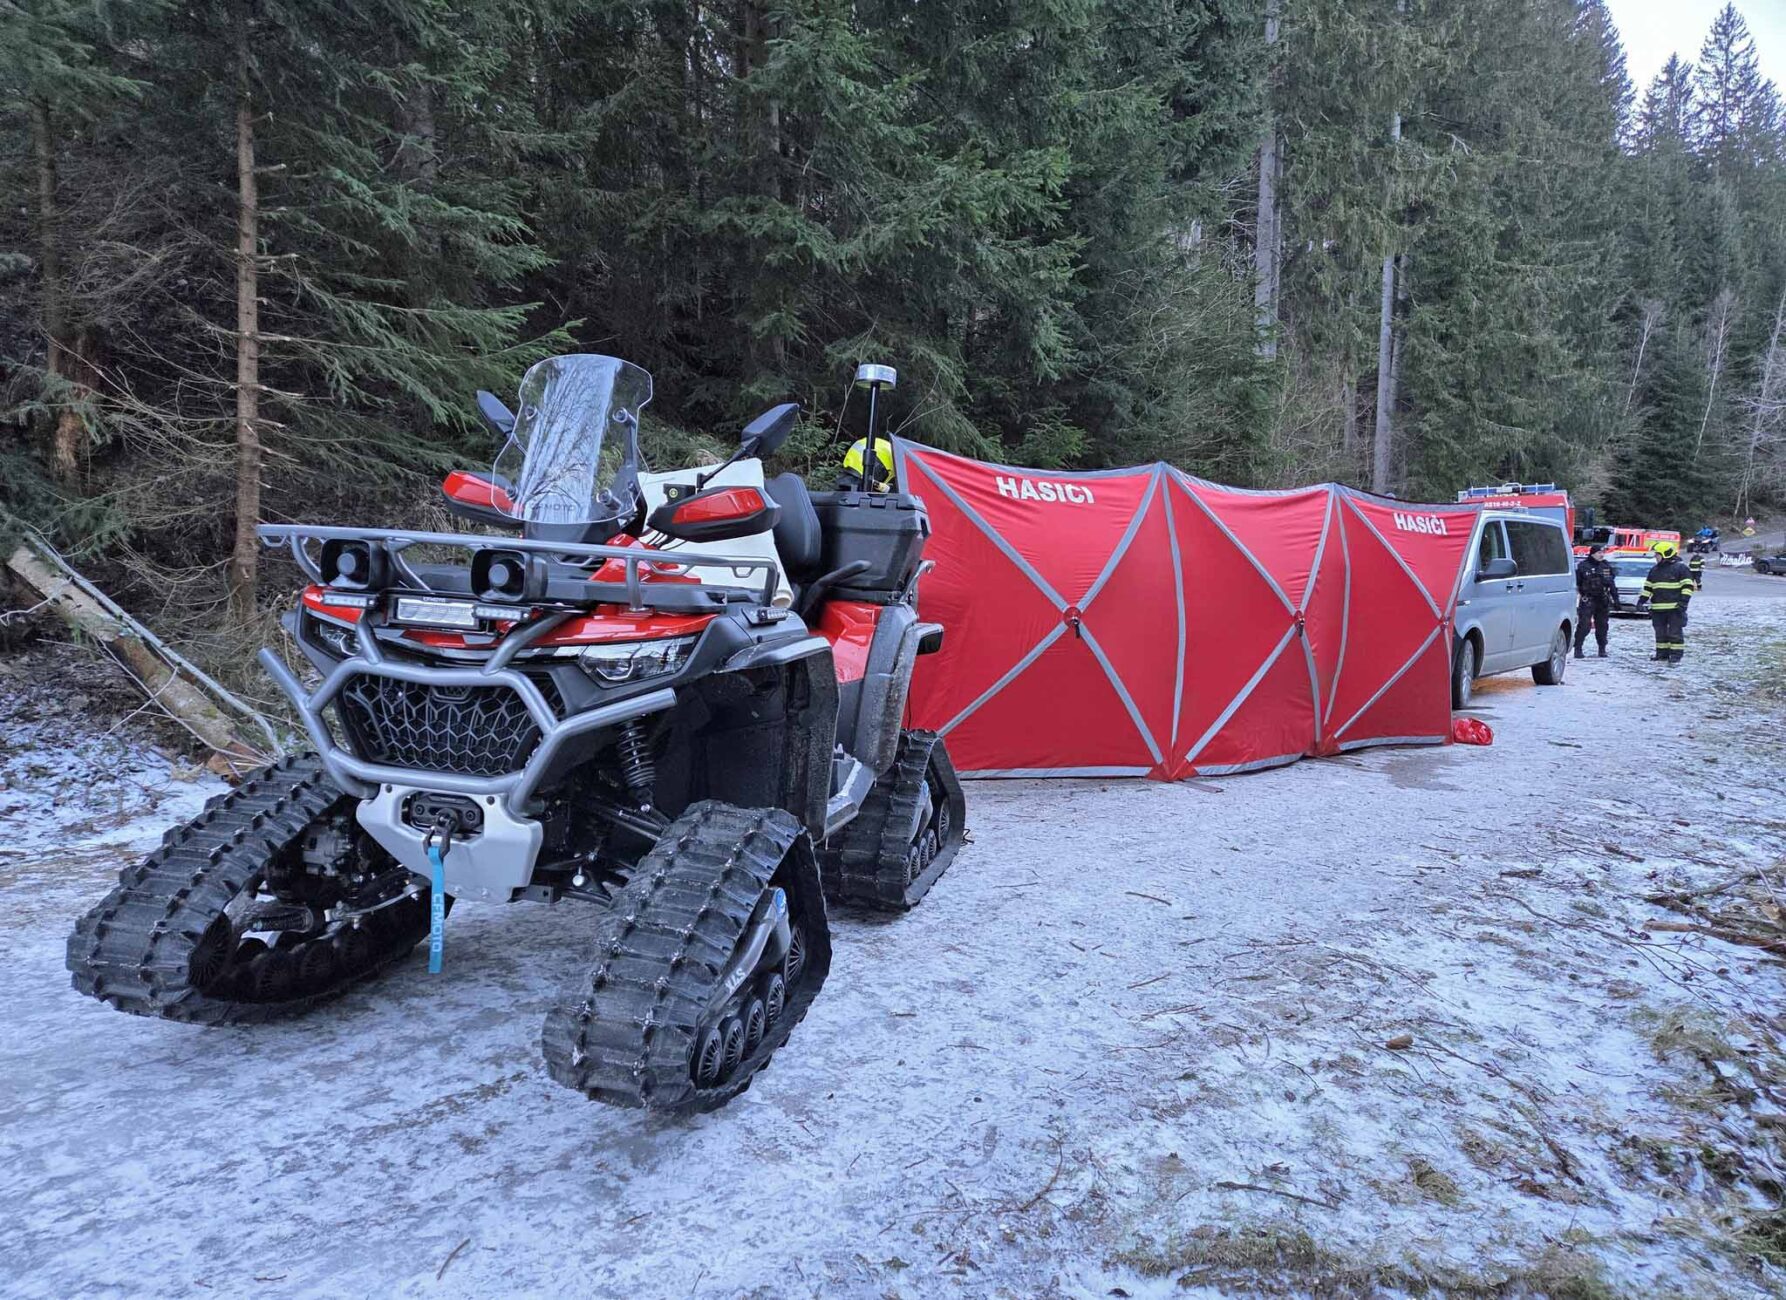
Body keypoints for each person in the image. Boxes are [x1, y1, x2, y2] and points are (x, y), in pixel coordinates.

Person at [1640, 539, 1695, 665]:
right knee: (1660, 634)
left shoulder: (1681, 568)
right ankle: (1662, 654)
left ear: (1665, 554)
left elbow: (1687, 587)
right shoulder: (1654, 570)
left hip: (1675, 608)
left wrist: (1683, 603)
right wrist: (1641, 601)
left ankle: (1676, 656)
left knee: (1675, 633)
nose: (1655, 556)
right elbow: (1648, 587)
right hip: (1658, 609)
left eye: (1657, 554)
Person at [1573, 543, 1619, 658]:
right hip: (1588, 600)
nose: (1601, 555)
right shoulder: (1583, 566)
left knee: (1602, 626)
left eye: (1603, 552)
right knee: (1584, 625)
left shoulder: (1605, 566)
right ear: (1593, 553)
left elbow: (1611, 584)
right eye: (1599, 552)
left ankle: (1602, 649)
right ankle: (1578, 649)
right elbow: (1577, 583)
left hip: (1602, 600)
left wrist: (1616, 599)